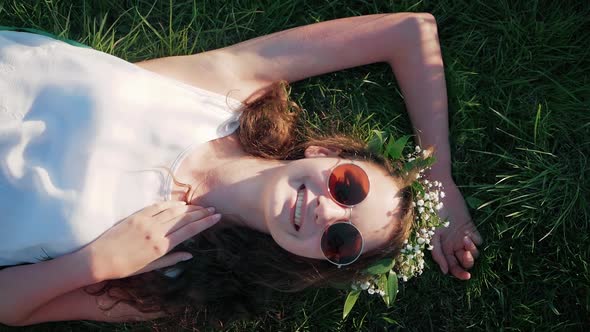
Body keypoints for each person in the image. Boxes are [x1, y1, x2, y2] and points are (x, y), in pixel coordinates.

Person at [0, 13, 482, 326]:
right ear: (323, 151)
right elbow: (409, 31)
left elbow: (10, 309)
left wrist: (95, 265)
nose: (327, 214)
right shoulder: (222, 92)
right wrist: (438, 174)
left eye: (342, 241)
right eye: (347, 186)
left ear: (315, 262)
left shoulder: (175, 274)